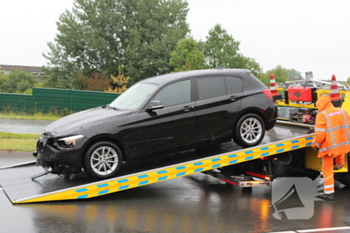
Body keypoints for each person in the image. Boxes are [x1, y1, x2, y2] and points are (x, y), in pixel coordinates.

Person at [311, 94, 350, 201]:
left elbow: (320, 135)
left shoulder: (322, 115)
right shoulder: (342, 111)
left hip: (329, 147)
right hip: (342, 143)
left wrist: (315, 144)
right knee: (341, 156)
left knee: (327, 169)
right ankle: (339, 165)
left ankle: (328, 193)